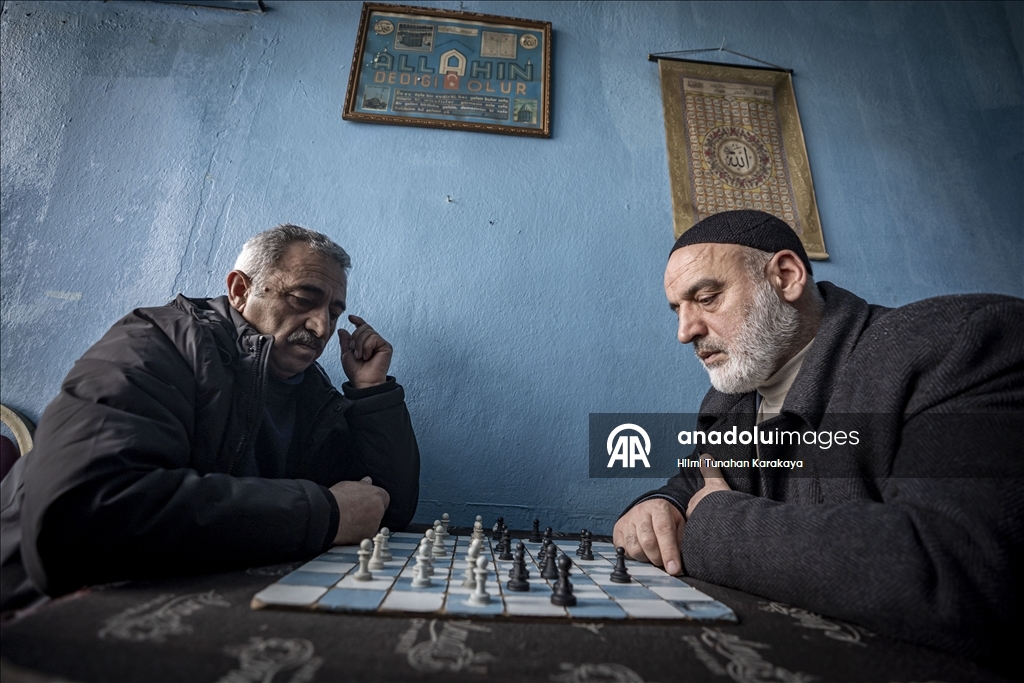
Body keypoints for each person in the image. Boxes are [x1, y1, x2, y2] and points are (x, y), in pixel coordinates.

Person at [613, 210, 1023, 670]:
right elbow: (697, 481)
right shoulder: (730, 398)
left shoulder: (959, 344)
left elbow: (959, 578)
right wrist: (659, 503)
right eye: (679, 310)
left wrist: (715, 525)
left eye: (706, 298)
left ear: (785, 277)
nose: (685, 331)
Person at [1, 224, 420, 610]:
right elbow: (78, 517)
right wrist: (322, 513)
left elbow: (383, 509)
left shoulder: (315, 394)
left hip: (193, 599)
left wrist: (371, 393)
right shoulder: (158, 341)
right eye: (303, 299)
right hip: (35, 606)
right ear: (240, 290)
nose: (320, 325)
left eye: (333, 312)